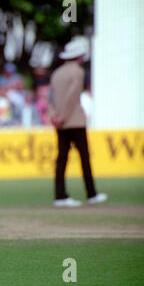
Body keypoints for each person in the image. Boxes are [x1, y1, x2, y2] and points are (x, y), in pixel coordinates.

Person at [48, 39, 107, 207]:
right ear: (79, 56)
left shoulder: (56, 73)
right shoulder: (78, 72)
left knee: (61, 159)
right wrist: (64, 117)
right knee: (84, 158)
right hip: (74, 121)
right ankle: (91, 193)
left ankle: (60, 196)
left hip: (60, 123)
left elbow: (50, 98)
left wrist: (54, 116)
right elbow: (72, 97)